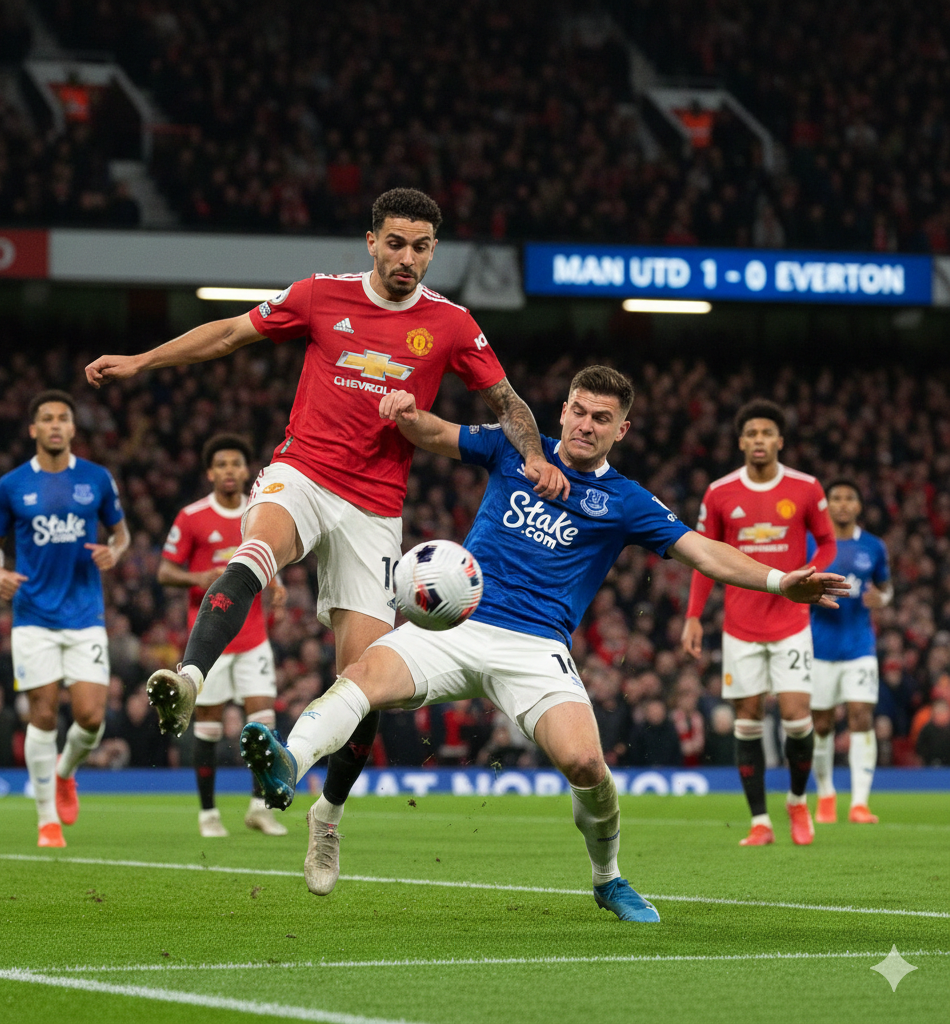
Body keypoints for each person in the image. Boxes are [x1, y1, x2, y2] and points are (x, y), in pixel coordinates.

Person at [85, 187, 566, 888]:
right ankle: (190, 680)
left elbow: (508, 401)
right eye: (395, 243)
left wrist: (534, 455)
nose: (407, 258)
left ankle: (327, 819)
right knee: (255, 547)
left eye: (421, 246)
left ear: (434, 251)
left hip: (374, 509)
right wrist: (142, 361)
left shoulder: (452, 324)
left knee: (362, 680)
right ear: (371, 241)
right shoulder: (318, 295)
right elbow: (228, 334)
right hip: (303, 471)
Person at [239, 367, 846, 916]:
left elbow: (701, 551)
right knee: (362, 680)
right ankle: (294, 767)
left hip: (536, 649)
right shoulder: (511, 448)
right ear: (561, 412)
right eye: (579, 411)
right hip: (454, 625)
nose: (586, 424)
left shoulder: (626, 501)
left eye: (601, 418)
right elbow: (436, 432)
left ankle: (607, 879)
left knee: (587, 763)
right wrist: (401, 409)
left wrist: (776, 580)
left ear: (621, 430)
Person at [681, 399, 837, 847]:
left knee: (796, 717)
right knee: (747, 719)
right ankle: (759, 822)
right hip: (740, 626)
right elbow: (703, 557)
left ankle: (796, 801)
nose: (759, 440)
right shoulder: (720, 492)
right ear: (740, 442)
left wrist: (811, 574)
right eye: (751, 434)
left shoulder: (806, 488)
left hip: (791, 621)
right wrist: (693, 615)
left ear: (780, 440)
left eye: (767, 433)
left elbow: (826, 542)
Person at [0, 389, 130, 847]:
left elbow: (121, 534)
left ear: (72, 428)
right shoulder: (11, 486)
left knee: (90, 717)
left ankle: (66, 772)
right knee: (43, 715)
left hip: (85, 614)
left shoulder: (96, 479)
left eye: (62, 418)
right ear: (33, 429)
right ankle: (47, 820)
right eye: (46, 418)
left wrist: (114, 552)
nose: (55, 425)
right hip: (33, 617)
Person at [158, 433, 288, 838]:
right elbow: (164, 572)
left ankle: (258, 809)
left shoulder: (261, 511)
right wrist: (198, 577)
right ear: (210, 472)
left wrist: (278, 584)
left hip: (253, 637)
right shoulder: (192, 516)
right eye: (222, 464)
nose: (230, 470)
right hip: (211, 641)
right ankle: (208, 814)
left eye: (236, 463)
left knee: (263, 719)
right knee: (208, 727)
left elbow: (270, 554)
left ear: (247, 470)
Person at [809, 480, 892, 824]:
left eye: (849, 499)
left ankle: (859, 803)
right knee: (822, 724)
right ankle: (826, 795)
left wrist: (882, 599)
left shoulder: (873, 547)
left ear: (858, 506)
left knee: (861, 716)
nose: (842, 504)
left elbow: (886, 588)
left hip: (860, 646)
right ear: (827, 505)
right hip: (818, 648)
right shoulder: (812, 543)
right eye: (836, 499)